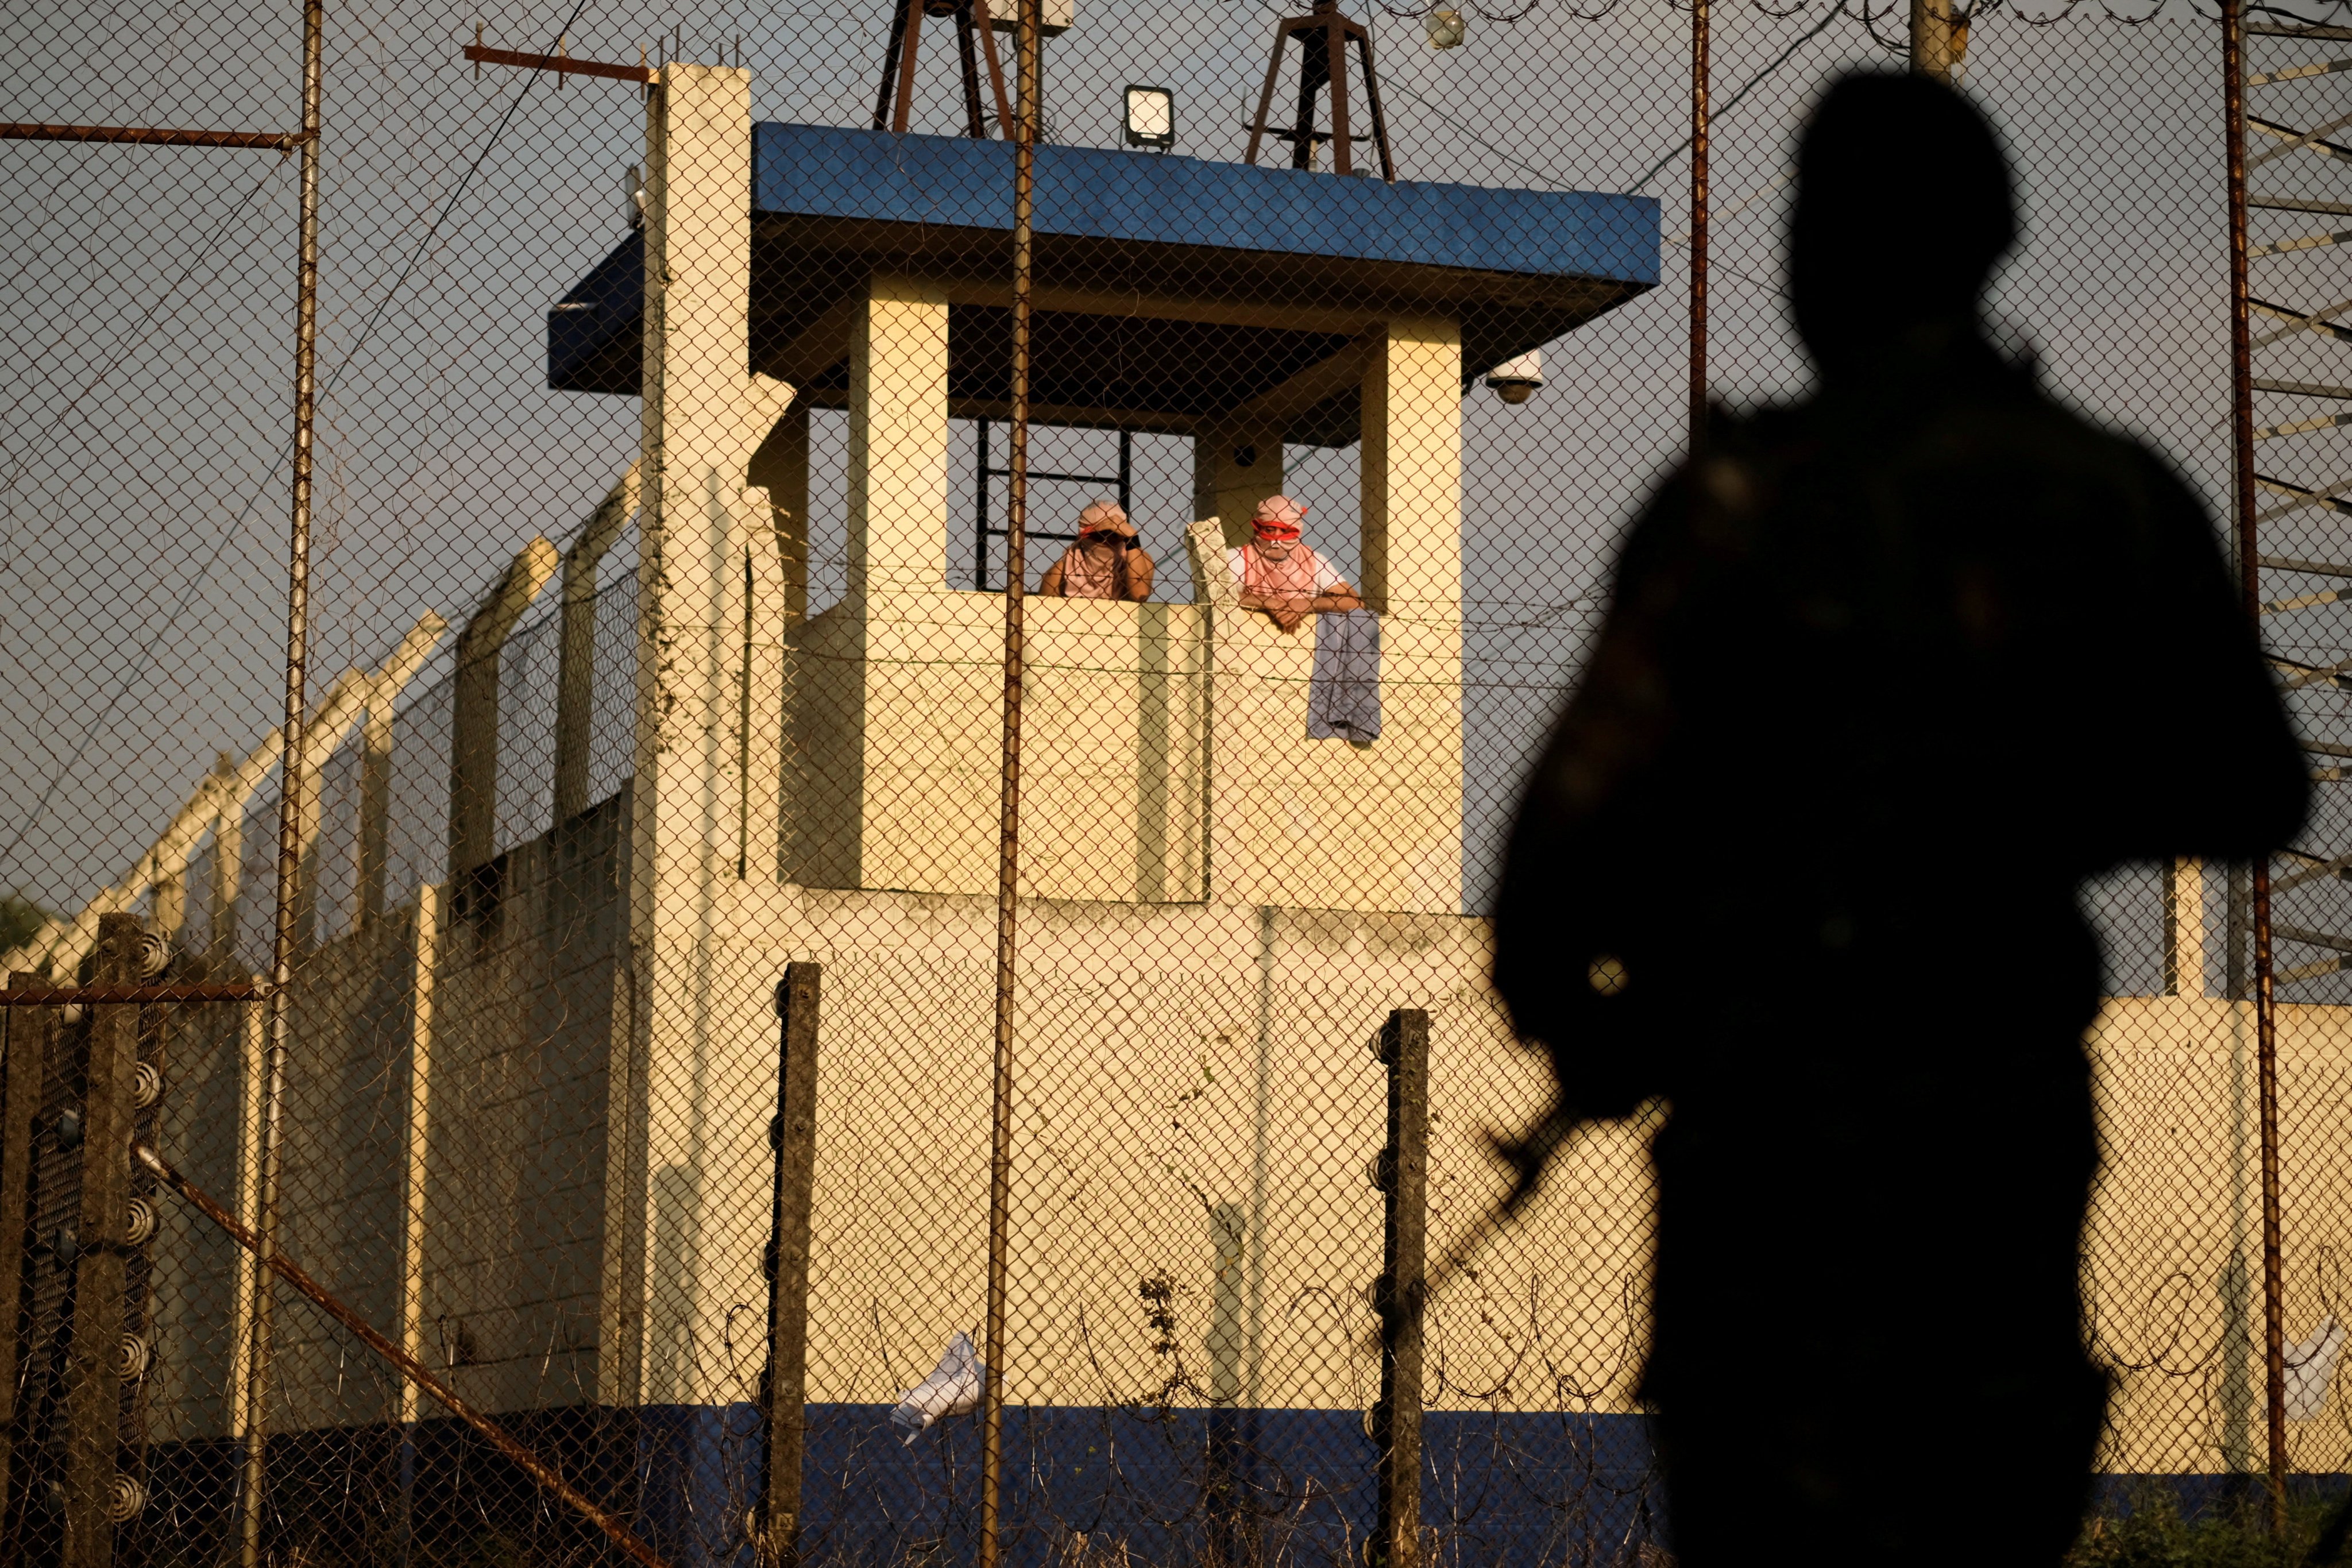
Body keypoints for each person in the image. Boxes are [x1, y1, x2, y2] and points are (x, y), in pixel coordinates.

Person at [1488, 73, 2306, 1568]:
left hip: (1766, 1218)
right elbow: (2256, 782)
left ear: (1814, 256)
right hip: (1986, 1198)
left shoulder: (1731, 508)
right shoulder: (2105, 499)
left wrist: (1614, 1019)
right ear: (1985, 239)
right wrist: (2024, 817)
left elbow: (1546, 885)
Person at [1227, 496, 1362, 632]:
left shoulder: (1313, 561)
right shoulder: (1238, 558)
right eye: (1270, 529)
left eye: (1285, 531)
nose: (1276, 538)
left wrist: (1308, 604)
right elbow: (1217, 595)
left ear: (1297, 531)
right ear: (1258, 527)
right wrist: (1267, 602)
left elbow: (1355, 602)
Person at [1038, 500, 1153, 601]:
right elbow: (1043, 617)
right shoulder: (1063, 570)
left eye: (1115, 534)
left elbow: (1139, 596)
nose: (1107, 540)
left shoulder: (1139, 559)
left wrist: (1133, 540)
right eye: (1100, 535)